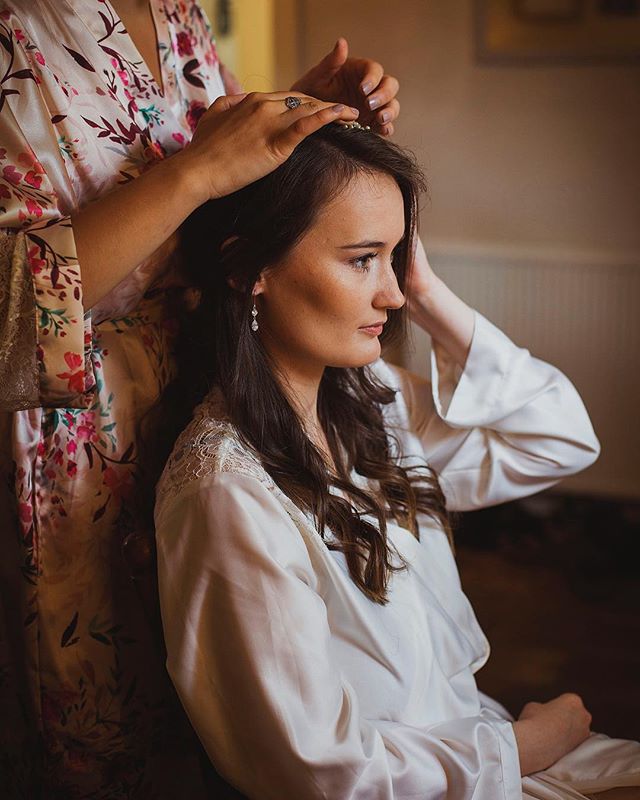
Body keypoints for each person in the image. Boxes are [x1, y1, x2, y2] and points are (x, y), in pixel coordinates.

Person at [153, 123, 640, 800]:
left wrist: (431, 290)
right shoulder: (227, 493)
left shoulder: (375, 409)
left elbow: (559, 436)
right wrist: (524, 747)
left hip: (477, 754)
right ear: (247, 270)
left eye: (396, 258)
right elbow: (320, 774)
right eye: (362, 260)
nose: (394, 295)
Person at [0, 0, 401, 796]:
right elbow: (13, 301)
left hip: (207, 383)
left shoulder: (176, 9)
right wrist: (201, 169)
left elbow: (200, 198)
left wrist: (285, 123)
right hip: (69, 439)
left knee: (229, 691)